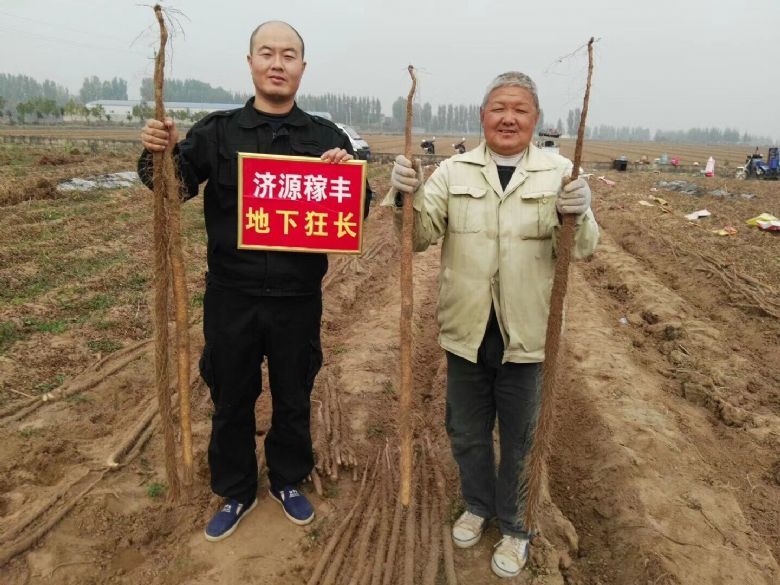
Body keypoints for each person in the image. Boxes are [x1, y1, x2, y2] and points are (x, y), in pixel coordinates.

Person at [138, 20, 372, 542]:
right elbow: (170, 188)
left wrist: (346, 175)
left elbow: (357, 211)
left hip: (297, 298)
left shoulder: (326, 138)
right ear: (250, 63)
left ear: (302, 68)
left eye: (288, 55)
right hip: (232, 297)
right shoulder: (218, 132)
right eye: (267, 53)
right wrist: (159, 153)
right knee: (231, 395)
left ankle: (288, 479)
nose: (277, 63)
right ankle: (237, 488)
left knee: (293, 393)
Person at [386, 71, 598, 578]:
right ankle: (479, 505)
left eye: (520, 109)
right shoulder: (453, 172)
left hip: (528, 333)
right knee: (467, 430)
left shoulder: (560, 173)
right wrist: (403, 196)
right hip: (467, 330)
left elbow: (582, 250)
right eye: (499, 108)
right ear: (482, 117)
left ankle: (518, 526)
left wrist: (580, 212)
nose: (508, 118)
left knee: (523, 437)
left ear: (536, 119)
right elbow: (418, 236)